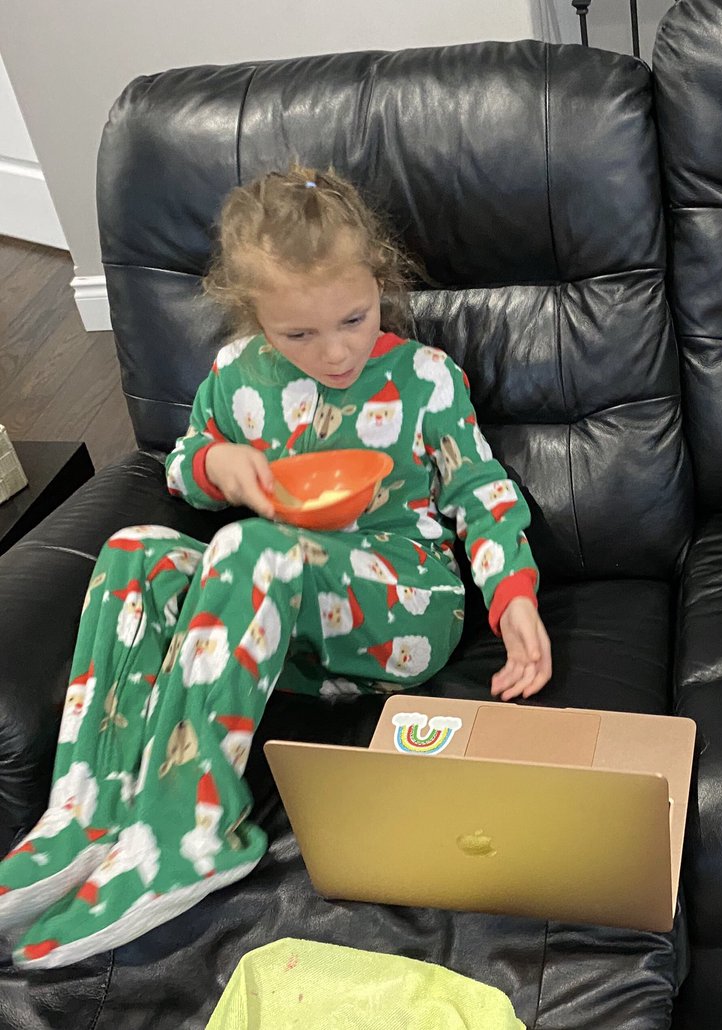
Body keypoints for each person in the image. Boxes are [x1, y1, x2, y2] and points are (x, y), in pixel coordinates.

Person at [0, 166, 552, 968]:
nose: (335, 352)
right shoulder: (235, 376)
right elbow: (183, 464)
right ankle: (87, 810)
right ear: (251, 313)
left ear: (379, 282)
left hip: (400, 606)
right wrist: (217, 463)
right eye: (298, 335)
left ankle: (190, 831)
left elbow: (483, 495)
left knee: (248, 545)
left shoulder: (424, 380)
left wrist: (515, 602)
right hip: (270, 630)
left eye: (354, 319)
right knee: (135, 555)